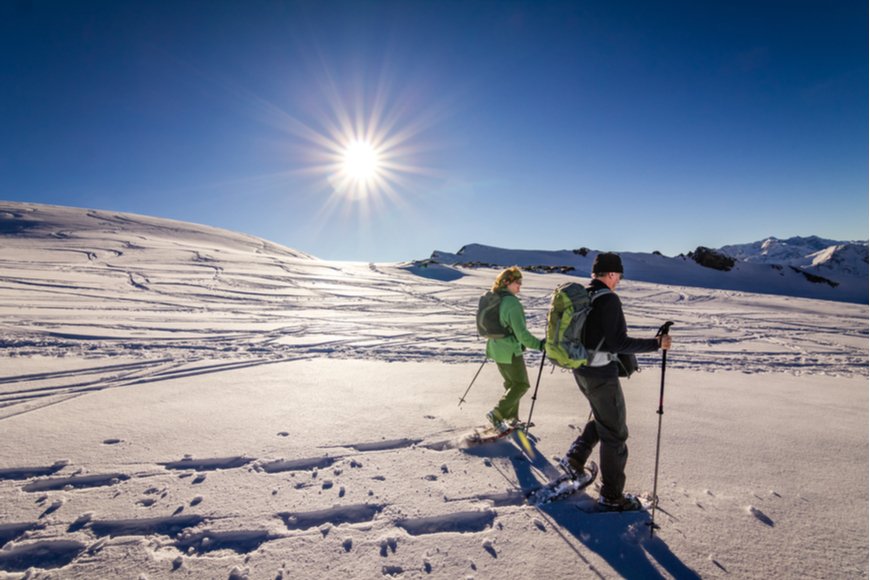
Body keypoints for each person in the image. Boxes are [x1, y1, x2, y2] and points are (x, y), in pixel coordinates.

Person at [560, 252, 672, 511]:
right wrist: (656, 344)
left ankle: (575, 457)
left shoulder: (585, 295)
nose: (619, 280)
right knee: (615, 432)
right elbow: (618, 343)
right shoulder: (608, 299)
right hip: (600, 374)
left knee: (604, 418)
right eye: (618, 275)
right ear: (610, 274)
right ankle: (612, 496)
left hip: (581, 370)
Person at [484, 266, 545, 432]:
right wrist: (540, 345)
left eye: (521, 282)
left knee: (512, 384)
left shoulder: (496, 298)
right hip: (510, 351)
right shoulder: (511, 303)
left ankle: (512, 418)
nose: (520, 285)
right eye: (517, 282)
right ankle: (497, 414)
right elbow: (522, 334)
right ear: (507, 282)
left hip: (495, 349)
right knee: (522, 384)